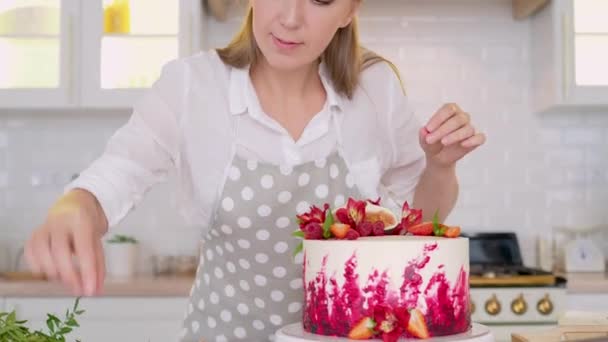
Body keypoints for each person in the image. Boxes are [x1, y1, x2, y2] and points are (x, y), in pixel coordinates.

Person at [25, 0, 486, 341]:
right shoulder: (192, 87)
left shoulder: (375, 89)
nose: (290, 18)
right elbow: (121, 168)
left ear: (349, 10)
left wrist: (439, 166)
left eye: (320, 0)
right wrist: (78, 204)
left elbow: (416, 220)